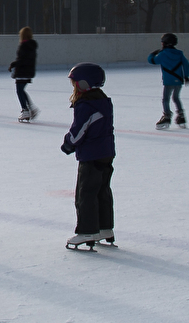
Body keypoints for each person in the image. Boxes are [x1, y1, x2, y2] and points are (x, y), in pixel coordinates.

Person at [61, 63, 116, 250]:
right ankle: (105, 228)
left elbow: (78, 133)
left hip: (91, 156)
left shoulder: (85, 105)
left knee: (85, 194)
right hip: (107, 153)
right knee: (102, 191)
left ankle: (87, 230)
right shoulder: (103, 101)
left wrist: (68, 143)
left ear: (83, 84)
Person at [147, 33, 189, 130]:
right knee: (176, 98)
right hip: (178, 81)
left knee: (166, 99)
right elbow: (186, 65)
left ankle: (167, 116)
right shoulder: (179, 53)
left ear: (164, 43)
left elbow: (152, 61)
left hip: (168, 81)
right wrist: (186, 76)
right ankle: (181, 115)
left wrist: (152, 54)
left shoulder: (163, 54)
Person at [9, 27, 40, 122]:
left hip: (22, 71)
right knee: (21, 90)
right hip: (29, 71)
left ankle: (25, 110)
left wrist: (14, 65)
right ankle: (31, 108)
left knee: (19, 91)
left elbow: (21, 59)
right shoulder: (32, 46)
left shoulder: (23, 46)